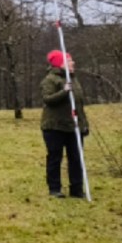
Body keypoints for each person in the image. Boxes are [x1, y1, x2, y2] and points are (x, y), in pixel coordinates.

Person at [40, 49, 89, 199]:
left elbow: (79, 104)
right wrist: (64, 91)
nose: (73, 63)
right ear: (60, 64)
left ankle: (77, 189)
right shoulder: (50, 80)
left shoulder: (74, 79)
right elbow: (48, 99)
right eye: (68, 61)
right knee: (55, 158)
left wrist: (84, 124)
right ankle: (55, 189)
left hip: (74, 126)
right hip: (54, 127)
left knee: (76, 158)